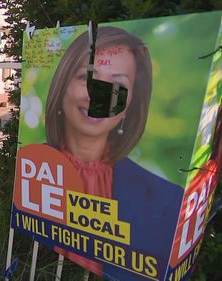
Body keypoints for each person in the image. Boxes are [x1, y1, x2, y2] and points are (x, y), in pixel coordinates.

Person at [44, 26, 183, 278]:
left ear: (130, 106)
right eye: (88, 77)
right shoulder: (31, 164)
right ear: (62, 84)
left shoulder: (167, 201)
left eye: (118, 85)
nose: (98, 97)